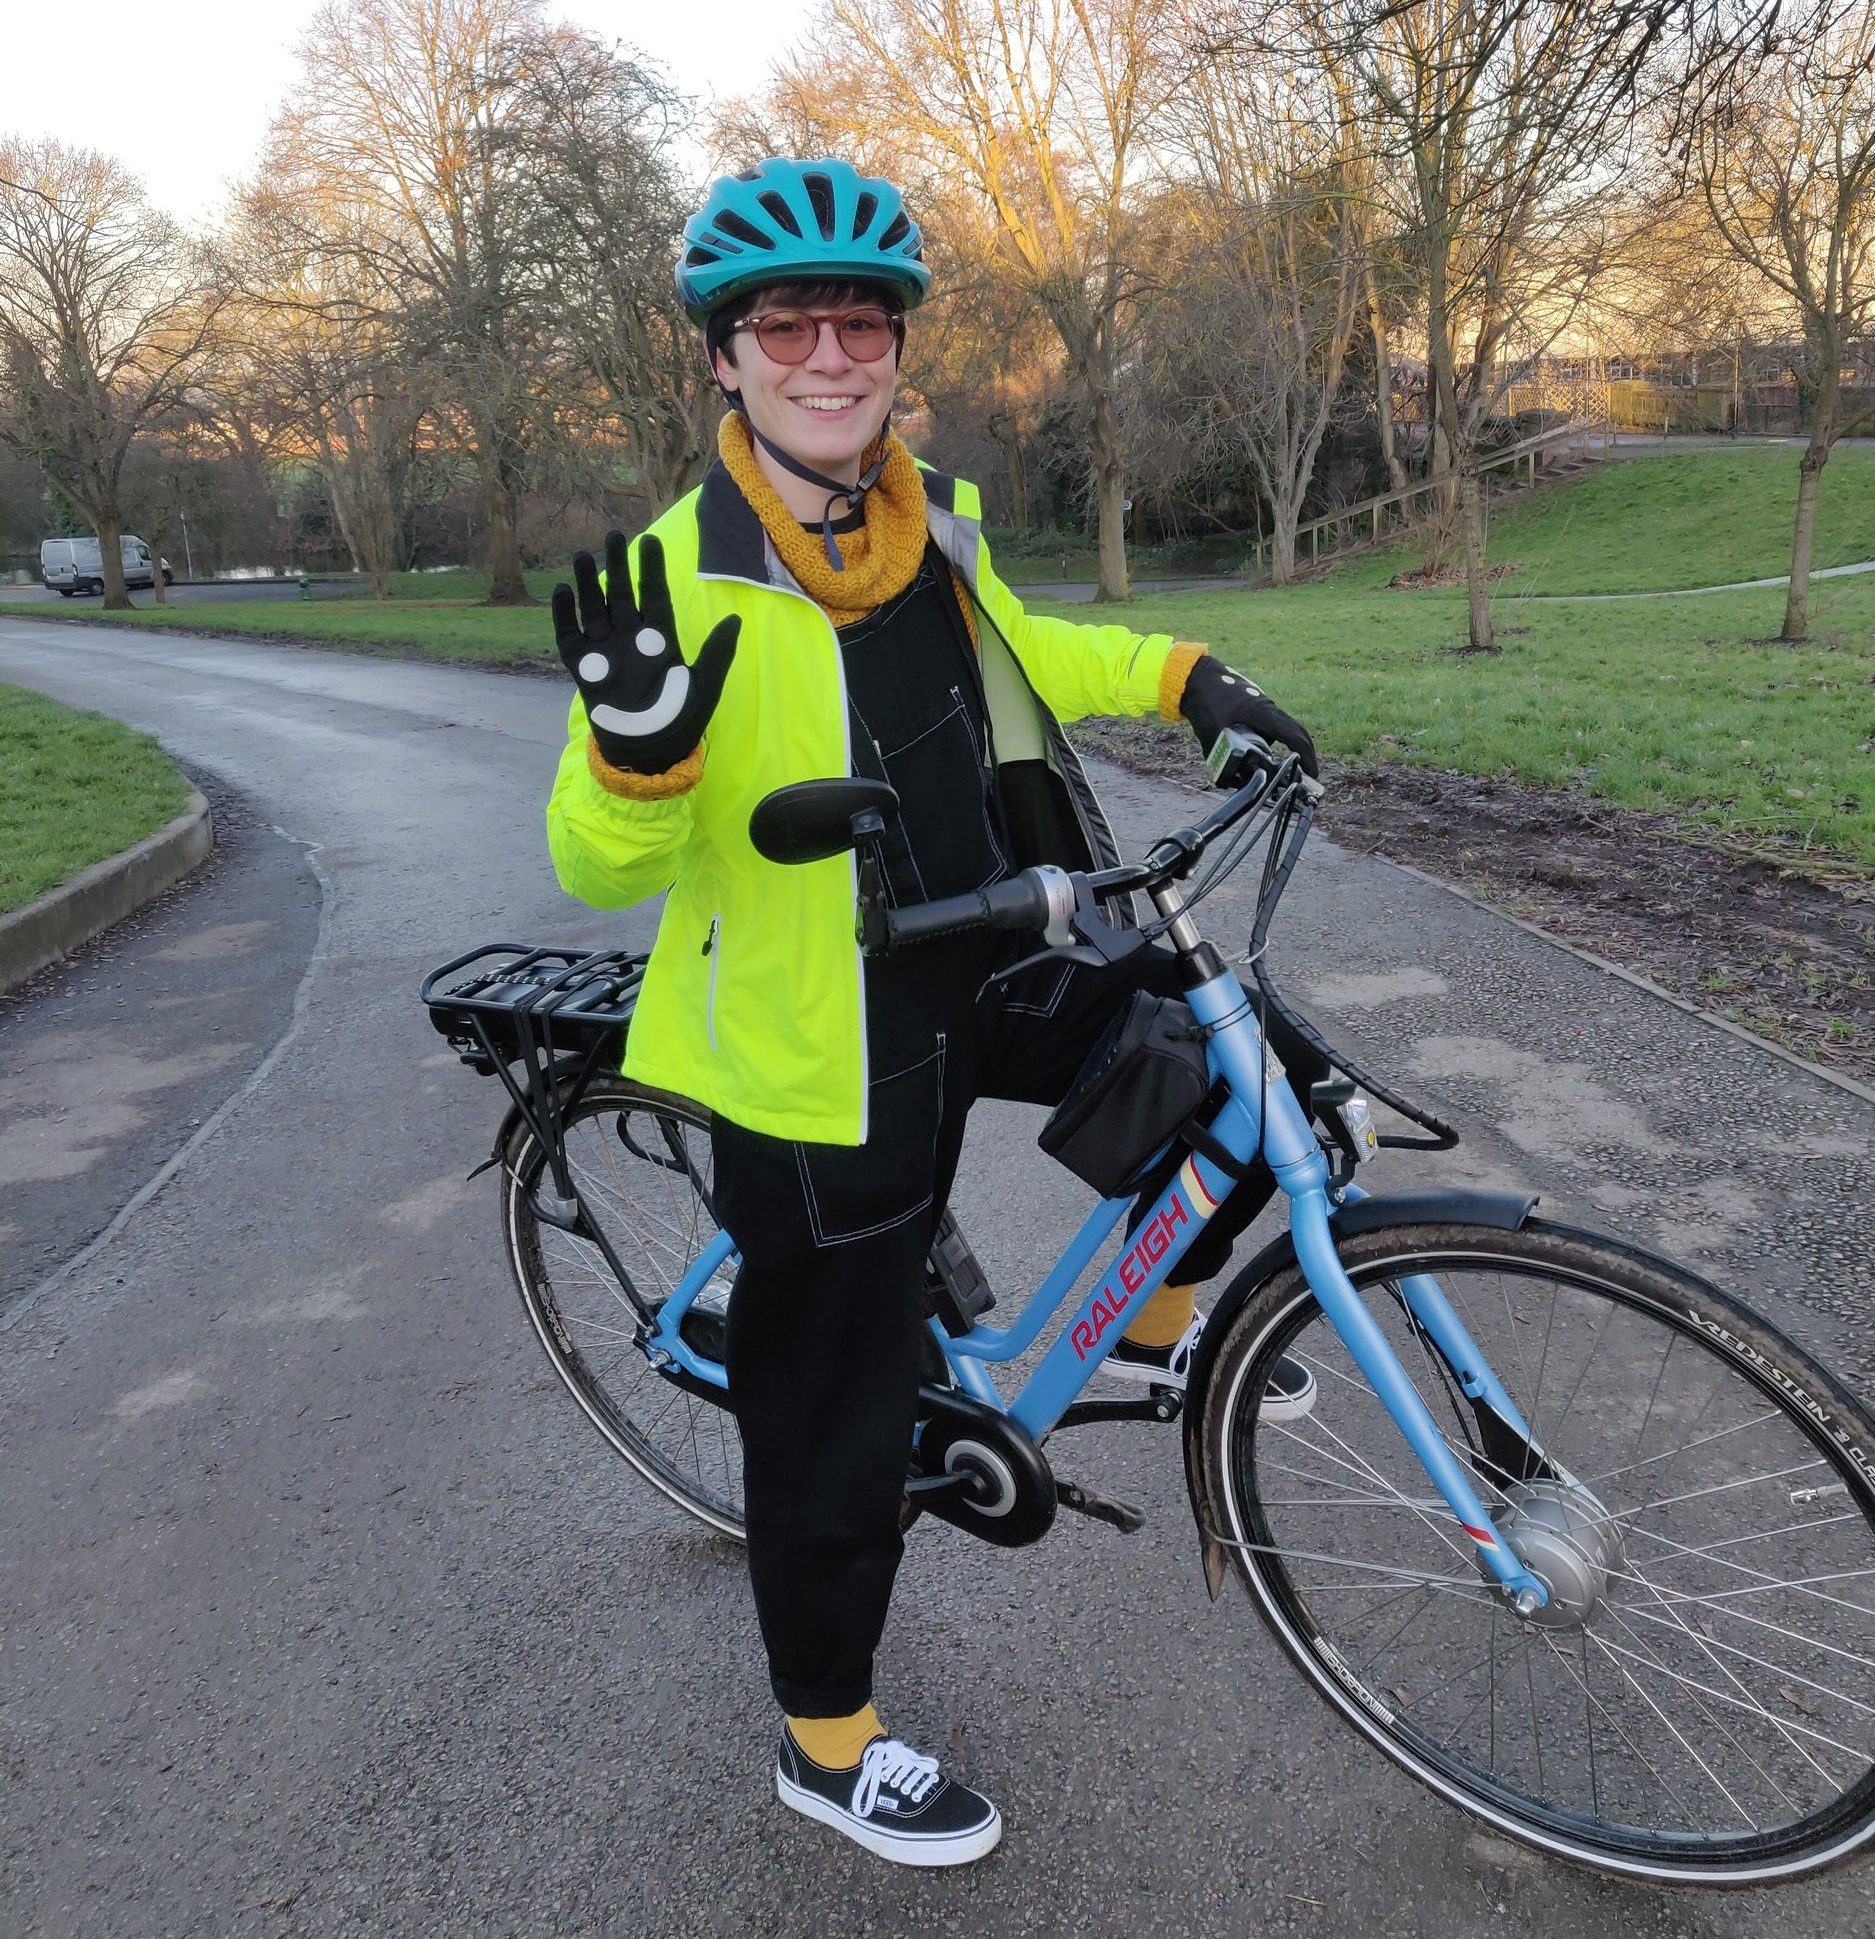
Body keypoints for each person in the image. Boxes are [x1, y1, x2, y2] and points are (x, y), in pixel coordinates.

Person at [545, 157, 1327, 1868]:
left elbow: (1039, 654)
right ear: (725, 361)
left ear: (899, 348)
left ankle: (1140, 1329)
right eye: (786, 324)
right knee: (834, 1421)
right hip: (817, 1042)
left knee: (1251, 1086)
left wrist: (1196, 681)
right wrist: (634, 751)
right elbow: (598, 862)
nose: (831, 353)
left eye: (862, 322)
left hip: (987, 940)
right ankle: (827, 1744)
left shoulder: (932, 516)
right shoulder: (673, 587)